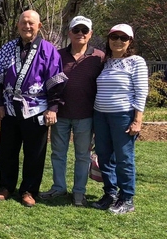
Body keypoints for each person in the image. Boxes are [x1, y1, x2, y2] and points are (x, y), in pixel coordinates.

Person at [0, 10, 67, 207]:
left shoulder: (49, 50)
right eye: (23, 22)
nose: (27, 26)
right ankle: (6, 186)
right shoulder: (7, 48)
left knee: (35, 153)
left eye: (31, 23)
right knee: (7, 150)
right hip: (9, 108)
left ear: (39, 26)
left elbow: (55, 82)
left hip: (36, 109)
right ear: (18, 25)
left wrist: (53, 108)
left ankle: (29, 190)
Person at [39, 16, 105, 206]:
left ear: (90, 34)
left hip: (86, 116)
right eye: (76, 30)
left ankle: (79, 192)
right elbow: (50, 84)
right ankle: (59, 187)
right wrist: (51, 107)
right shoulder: (57, 55)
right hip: (60, 114)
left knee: (82, 156)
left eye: (84, 31)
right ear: (69, 33)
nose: (80, 34)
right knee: (58, 153)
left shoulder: (99, 57)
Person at [92, 24, 148, 214]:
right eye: (114, 37)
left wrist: (137, 120)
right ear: (108, 40)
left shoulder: (136, 61)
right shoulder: (106, 62)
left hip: (123, 116)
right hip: (100, 115)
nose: (118, 41)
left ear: (130, 42)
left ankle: (127, 198)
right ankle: (110, 194)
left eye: (123, 38)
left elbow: (141, 92)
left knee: (124, 158)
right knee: (105, 156)